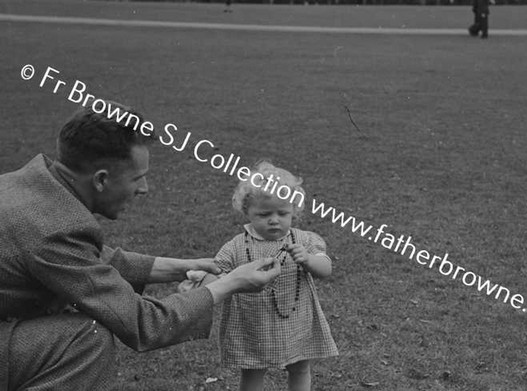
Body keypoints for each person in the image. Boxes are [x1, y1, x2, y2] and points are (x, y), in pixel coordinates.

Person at [0, 103, 281, 391]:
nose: (144, 188)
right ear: (101, 180)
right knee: (85, 338)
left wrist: (185, 266)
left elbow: (92, 260)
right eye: (137, 177)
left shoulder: (30, 185)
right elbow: (144, 324)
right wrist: (231, 283)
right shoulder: (54, 231)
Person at [181, 161, 338, 391]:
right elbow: (218, 272)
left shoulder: (304, 241)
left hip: (297, 321)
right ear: (247, 212)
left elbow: (326, 269)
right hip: (253, 323)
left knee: (300, 367)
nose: (274, 219)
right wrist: (199, 284)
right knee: (253, 370)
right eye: (264, 214)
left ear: (294, 210)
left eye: (282, 213)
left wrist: (308, 260)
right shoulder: (236, 246)